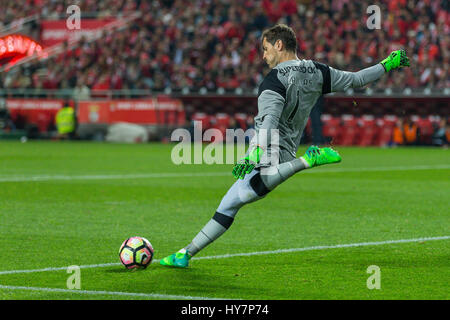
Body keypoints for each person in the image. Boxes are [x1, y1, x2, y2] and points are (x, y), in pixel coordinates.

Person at [160, 24, 410, 268]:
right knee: (230, 203)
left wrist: (254, 151)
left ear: (279, 44)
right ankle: (185, 254)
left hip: (269, 146)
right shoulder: (318, 71)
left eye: (266, 48)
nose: (264, 55)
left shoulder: (273, 80)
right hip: (287, 148)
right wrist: (387, 64)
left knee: (245, 193)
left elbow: (269, 119)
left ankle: (306, 161)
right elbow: (357, 79)